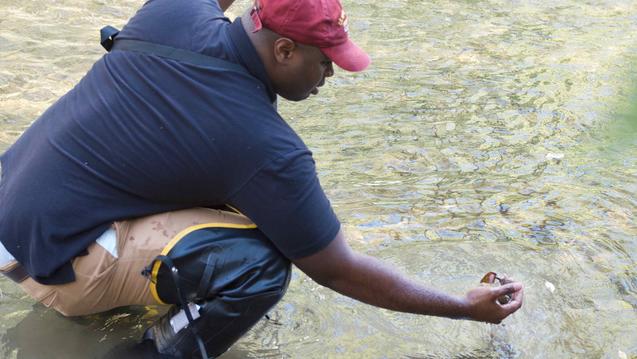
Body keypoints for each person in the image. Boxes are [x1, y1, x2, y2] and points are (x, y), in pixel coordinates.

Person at [0, 0, 524, 357]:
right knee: (261, 265)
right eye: (324, 62)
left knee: (258, 211)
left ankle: (92, 315)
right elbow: (337, 270)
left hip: (15, 214)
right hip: (56, 260)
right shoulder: (266, 148)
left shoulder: (172, 13)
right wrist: (460, 307)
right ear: (285, 51)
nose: (331, 76)